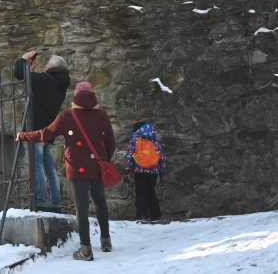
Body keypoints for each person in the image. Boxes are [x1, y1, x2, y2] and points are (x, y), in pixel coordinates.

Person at [17, 81, 115, 261]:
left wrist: (23, 135)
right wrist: (104, 160)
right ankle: (106, 240)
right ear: (92, 94)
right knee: (101, 202)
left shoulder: (67, 116)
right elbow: (111, 143)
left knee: (81, 207)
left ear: (75, 96)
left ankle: (85, 250)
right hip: (97, 166)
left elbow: (45, 134)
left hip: (77, 168)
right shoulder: (102, 115)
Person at [13, 49, 70, 212]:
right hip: (48, 132)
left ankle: (40, 202)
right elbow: (35, 84)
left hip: (35, 130)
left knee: (37, 166)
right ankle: (56, 203)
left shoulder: (47, 80)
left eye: (47, 64)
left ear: (52, 65)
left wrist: (23, 60)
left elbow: (19, 74)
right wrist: (31, 73)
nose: (44, 66)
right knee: (50, 169)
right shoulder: (60, 84)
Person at [124, 119, 167, 223]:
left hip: (140, 171)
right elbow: (162, 158)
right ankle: (155, 215)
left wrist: (127, 171)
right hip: (153, 172)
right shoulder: (155, 142)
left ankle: (142, 215)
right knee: (151, 192)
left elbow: (129, 157)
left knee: (141, 193)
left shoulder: (134, 141)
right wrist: (162, 174)